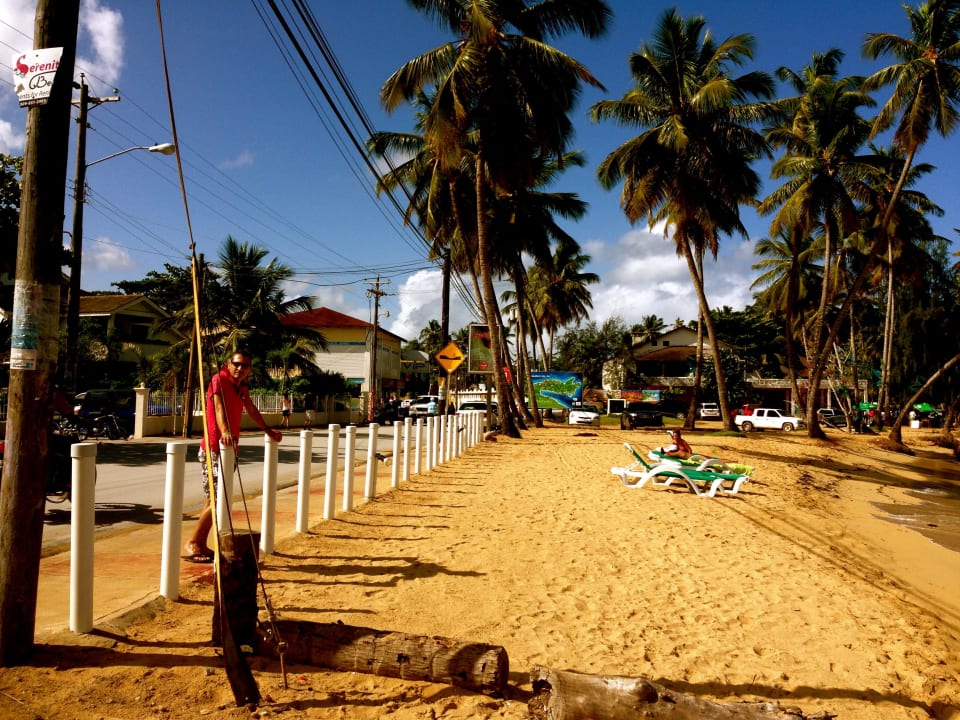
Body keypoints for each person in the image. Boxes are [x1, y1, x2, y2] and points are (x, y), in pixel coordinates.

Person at [183, 350, 282, 563]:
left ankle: (199, 542)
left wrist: (268, 430)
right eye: (237, 364)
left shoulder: (241, 385)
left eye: (245, 365)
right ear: (228, 364)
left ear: (249, 369)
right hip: (215, 448)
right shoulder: (218, 380)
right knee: (219, 498)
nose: (240, 368)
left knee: (213, 498)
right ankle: (193, 542)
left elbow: (251, 409)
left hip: (229, 450)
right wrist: (225, 432)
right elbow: (218, 408)